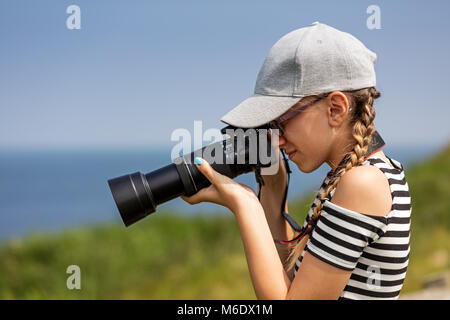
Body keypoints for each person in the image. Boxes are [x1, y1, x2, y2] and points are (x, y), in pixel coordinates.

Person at [181, 22, 411, 300]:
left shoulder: (363, 183)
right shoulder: (353, 176)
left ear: (335, 109)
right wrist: (273, 192)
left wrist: (244, 204)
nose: (276, 139)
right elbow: (293, 284)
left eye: (281, 122)